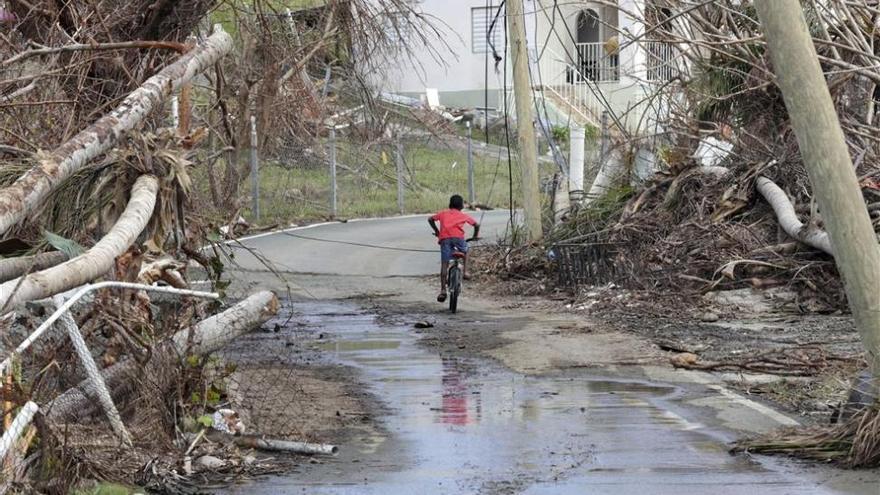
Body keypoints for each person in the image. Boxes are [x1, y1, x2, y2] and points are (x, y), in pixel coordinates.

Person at [428, 195, 480, 303]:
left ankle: (443, 290)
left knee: (444, 264)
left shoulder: (443, 213)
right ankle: (465, 271)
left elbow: (430, 219)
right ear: (461, 206)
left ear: (450, 204)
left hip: (445, 239)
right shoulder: (463, 215)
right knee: (466, 249)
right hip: (458, 239)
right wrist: (475, 236)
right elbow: (476, 224)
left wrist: (437, 231)